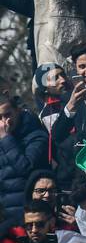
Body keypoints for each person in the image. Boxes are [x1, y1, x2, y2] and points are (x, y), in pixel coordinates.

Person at [0, 97, 51, 229]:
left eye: (7, 115)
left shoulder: (36, 135)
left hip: (28, 216)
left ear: (18, 111)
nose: (4, 122)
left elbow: (26, 168)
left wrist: (6, 138)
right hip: (4, 215)